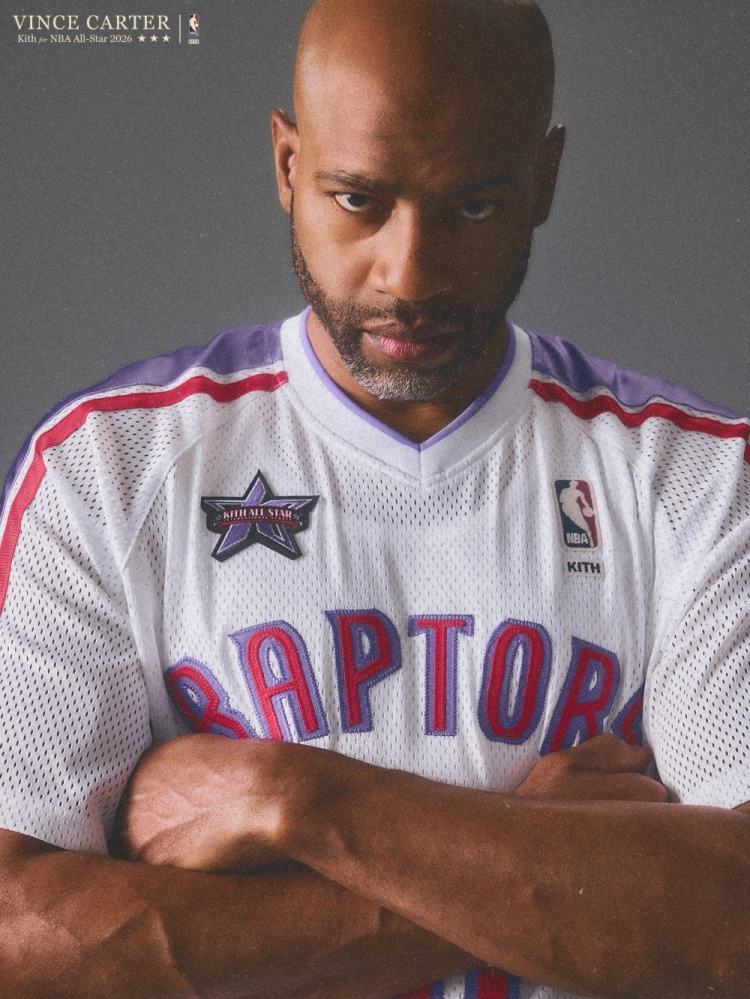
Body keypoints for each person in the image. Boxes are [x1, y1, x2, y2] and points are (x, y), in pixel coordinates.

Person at [0, 0, 748, 996]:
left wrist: (293, 796)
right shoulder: (109, 466)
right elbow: (20, 938)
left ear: (544, 178)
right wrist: (556, 868)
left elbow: (737, 922)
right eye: (358, 199)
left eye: (473, 207)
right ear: (287, 164)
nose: (409, 273)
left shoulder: (695, 478)